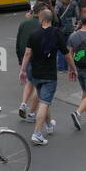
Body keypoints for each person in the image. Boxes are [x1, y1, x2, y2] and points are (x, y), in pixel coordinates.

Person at [19, 10, 68, 146]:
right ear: (51, 19)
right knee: (45, 102)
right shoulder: (57, 33)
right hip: (49, 75)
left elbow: (27, 53)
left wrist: (23, 70)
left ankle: (49, 125)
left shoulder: (34, 34)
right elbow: (66, 53)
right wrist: (73, 68)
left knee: (43, 100)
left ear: (41, 20)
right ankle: (37, 134)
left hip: (35, 74)